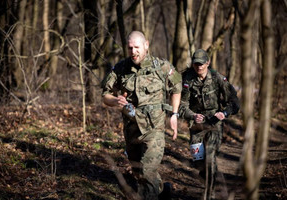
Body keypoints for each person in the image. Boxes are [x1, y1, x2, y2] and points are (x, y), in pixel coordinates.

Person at [101, 31, 182, 200]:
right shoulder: (121, 68)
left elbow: (176, 88)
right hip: (132, 130)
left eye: (136, 47)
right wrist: (116, 101)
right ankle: (163, 191)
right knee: (138, 172)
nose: (133, 51)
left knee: (147, 171)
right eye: (130, 48)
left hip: (154, 130)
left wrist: (174, 114)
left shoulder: (162, 67)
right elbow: (105, 95)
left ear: (146, 45)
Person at [178, 49, 239, 199]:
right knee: (199, 162)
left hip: (214, 123)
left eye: (201, 64)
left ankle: (208, 195)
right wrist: (192, 115)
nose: (199, 67)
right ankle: (207, 178)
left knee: (210, 157)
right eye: (196, 64)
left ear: (208, 63)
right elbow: (181, 105)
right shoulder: (186, 79)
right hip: (196, 125)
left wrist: (223, 113)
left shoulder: (218, 78)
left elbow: (235, 102)